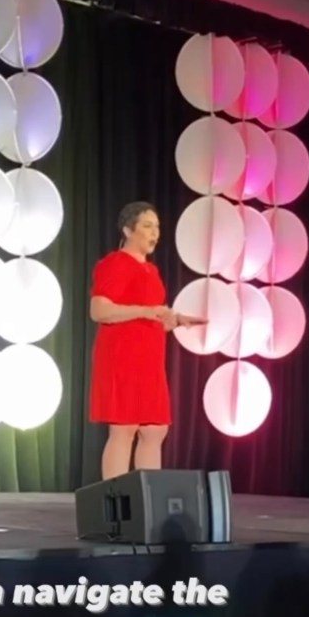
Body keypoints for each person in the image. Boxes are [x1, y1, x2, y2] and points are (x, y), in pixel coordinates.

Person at [88, 201, 205, 480]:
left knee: (155, 430)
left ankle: (149, 499)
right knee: (124, 428)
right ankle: (115, 498)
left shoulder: (151, 271)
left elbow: (152, 316)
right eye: (147, 226)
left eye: (157, 227)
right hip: (122, 356)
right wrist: (145, 311)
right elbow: (99, 310)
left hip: (149, 359)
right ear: (128, 230)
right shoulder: (115, 263)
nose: (155, 233)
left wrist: (176, 319)